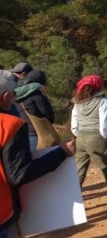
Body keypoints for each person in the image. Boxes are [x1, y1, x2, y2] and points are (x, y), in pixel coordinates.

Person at [0, 70, 75, 237]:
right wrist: (62, 152)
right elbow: (20, 174)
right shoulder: (10, 125)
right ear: (6, 97)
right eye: (13, 94)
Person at [70, 75, 107, 205]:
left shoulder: (77, 103)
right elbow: (104, 126)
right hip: (96, 137)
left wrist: (79, 135)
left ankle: (73, 199)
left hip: (80, 138)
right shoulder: (102, 101)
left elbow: (74, 126)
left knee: (79, 170)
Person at [14, 70, 55, 150]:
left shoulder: (16, 97)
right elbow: (49, 115)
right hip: (37, 133)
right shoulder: (38, 96)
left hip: (22, 134)